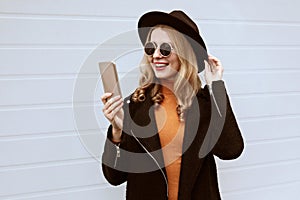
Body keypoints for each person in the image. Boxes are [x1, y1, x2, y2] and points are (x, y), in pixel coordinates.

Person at [101, 10, 244, 200]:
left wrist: (216, 87)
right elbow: (115, 177)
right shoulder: (135, 104)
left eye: (166, 49)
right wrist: (117, 132)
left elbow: (231, 150)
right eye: (151, 49)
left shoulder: (204, 103)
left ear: (184, 54)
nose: (156, 56)